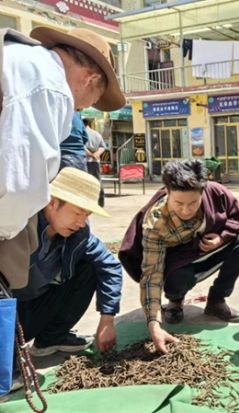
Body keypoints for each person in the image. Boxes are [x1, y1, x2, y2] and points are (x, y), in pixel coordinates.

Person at [0, 26, 125, 291]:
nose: (80, 109)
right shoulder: (50, 86)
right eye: (89, 103)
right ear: (90, 79)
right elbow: (19, 185)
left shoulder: (17, 57)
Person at [118, 160, 239, 354]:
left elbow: (238, 218)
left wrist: (221, 238)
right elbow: (151, 275)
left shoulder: (216, 192)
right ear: (167, 192)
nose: (186, 210)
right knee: (178, 279)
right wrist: (154, 325)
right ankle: (175, 301)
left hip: (207, 250)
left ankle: (216, 301)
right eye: (178, 203)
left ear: (203, 191)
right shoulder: (155, 223)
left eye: (193, 203)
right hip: (176, 265)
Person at [11, 167, 122, 356]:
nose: (81, 222)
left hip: (36, 306)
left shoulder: (79, 235)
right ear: (52, 203)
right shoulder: (17, 226)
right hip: (10, 312)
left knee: (89, 268)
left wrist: (107, 318)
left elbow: (110, 266)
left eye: (86, 216)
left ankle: (52, 338)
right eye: (78, 213)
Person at [84, 118, 106, 207]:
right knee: (97, 181)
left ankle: (87, 202)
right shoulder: (97, 134)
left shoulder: (81, 133)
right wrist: (96, 154)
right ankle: (101, 202)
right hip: (95, 162)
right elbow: (102, 147)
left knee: (85, 182)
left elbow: (81, 146)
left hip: (85, 161)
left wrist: (90, 154)